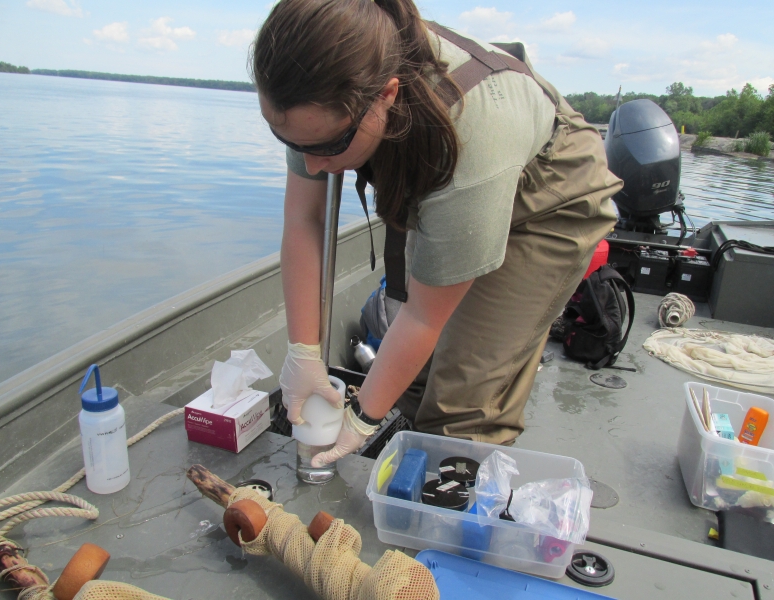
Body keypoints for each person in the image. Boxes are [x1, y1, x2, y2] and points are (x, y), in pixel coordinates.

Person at [252, 0, 622, 467]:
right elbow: (305, 221)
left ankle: (448, 506)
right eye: (289, 142)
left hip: (548, 194)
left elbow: (425, 316)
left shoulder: (471, 137)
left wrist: (363, 419)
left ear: (385, 96)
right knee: (414, 378)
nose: (311, 166)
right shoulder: (313, 97)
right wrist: (303, 353)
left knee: (462, 402)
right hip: (456, 168)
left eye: (327, 147)